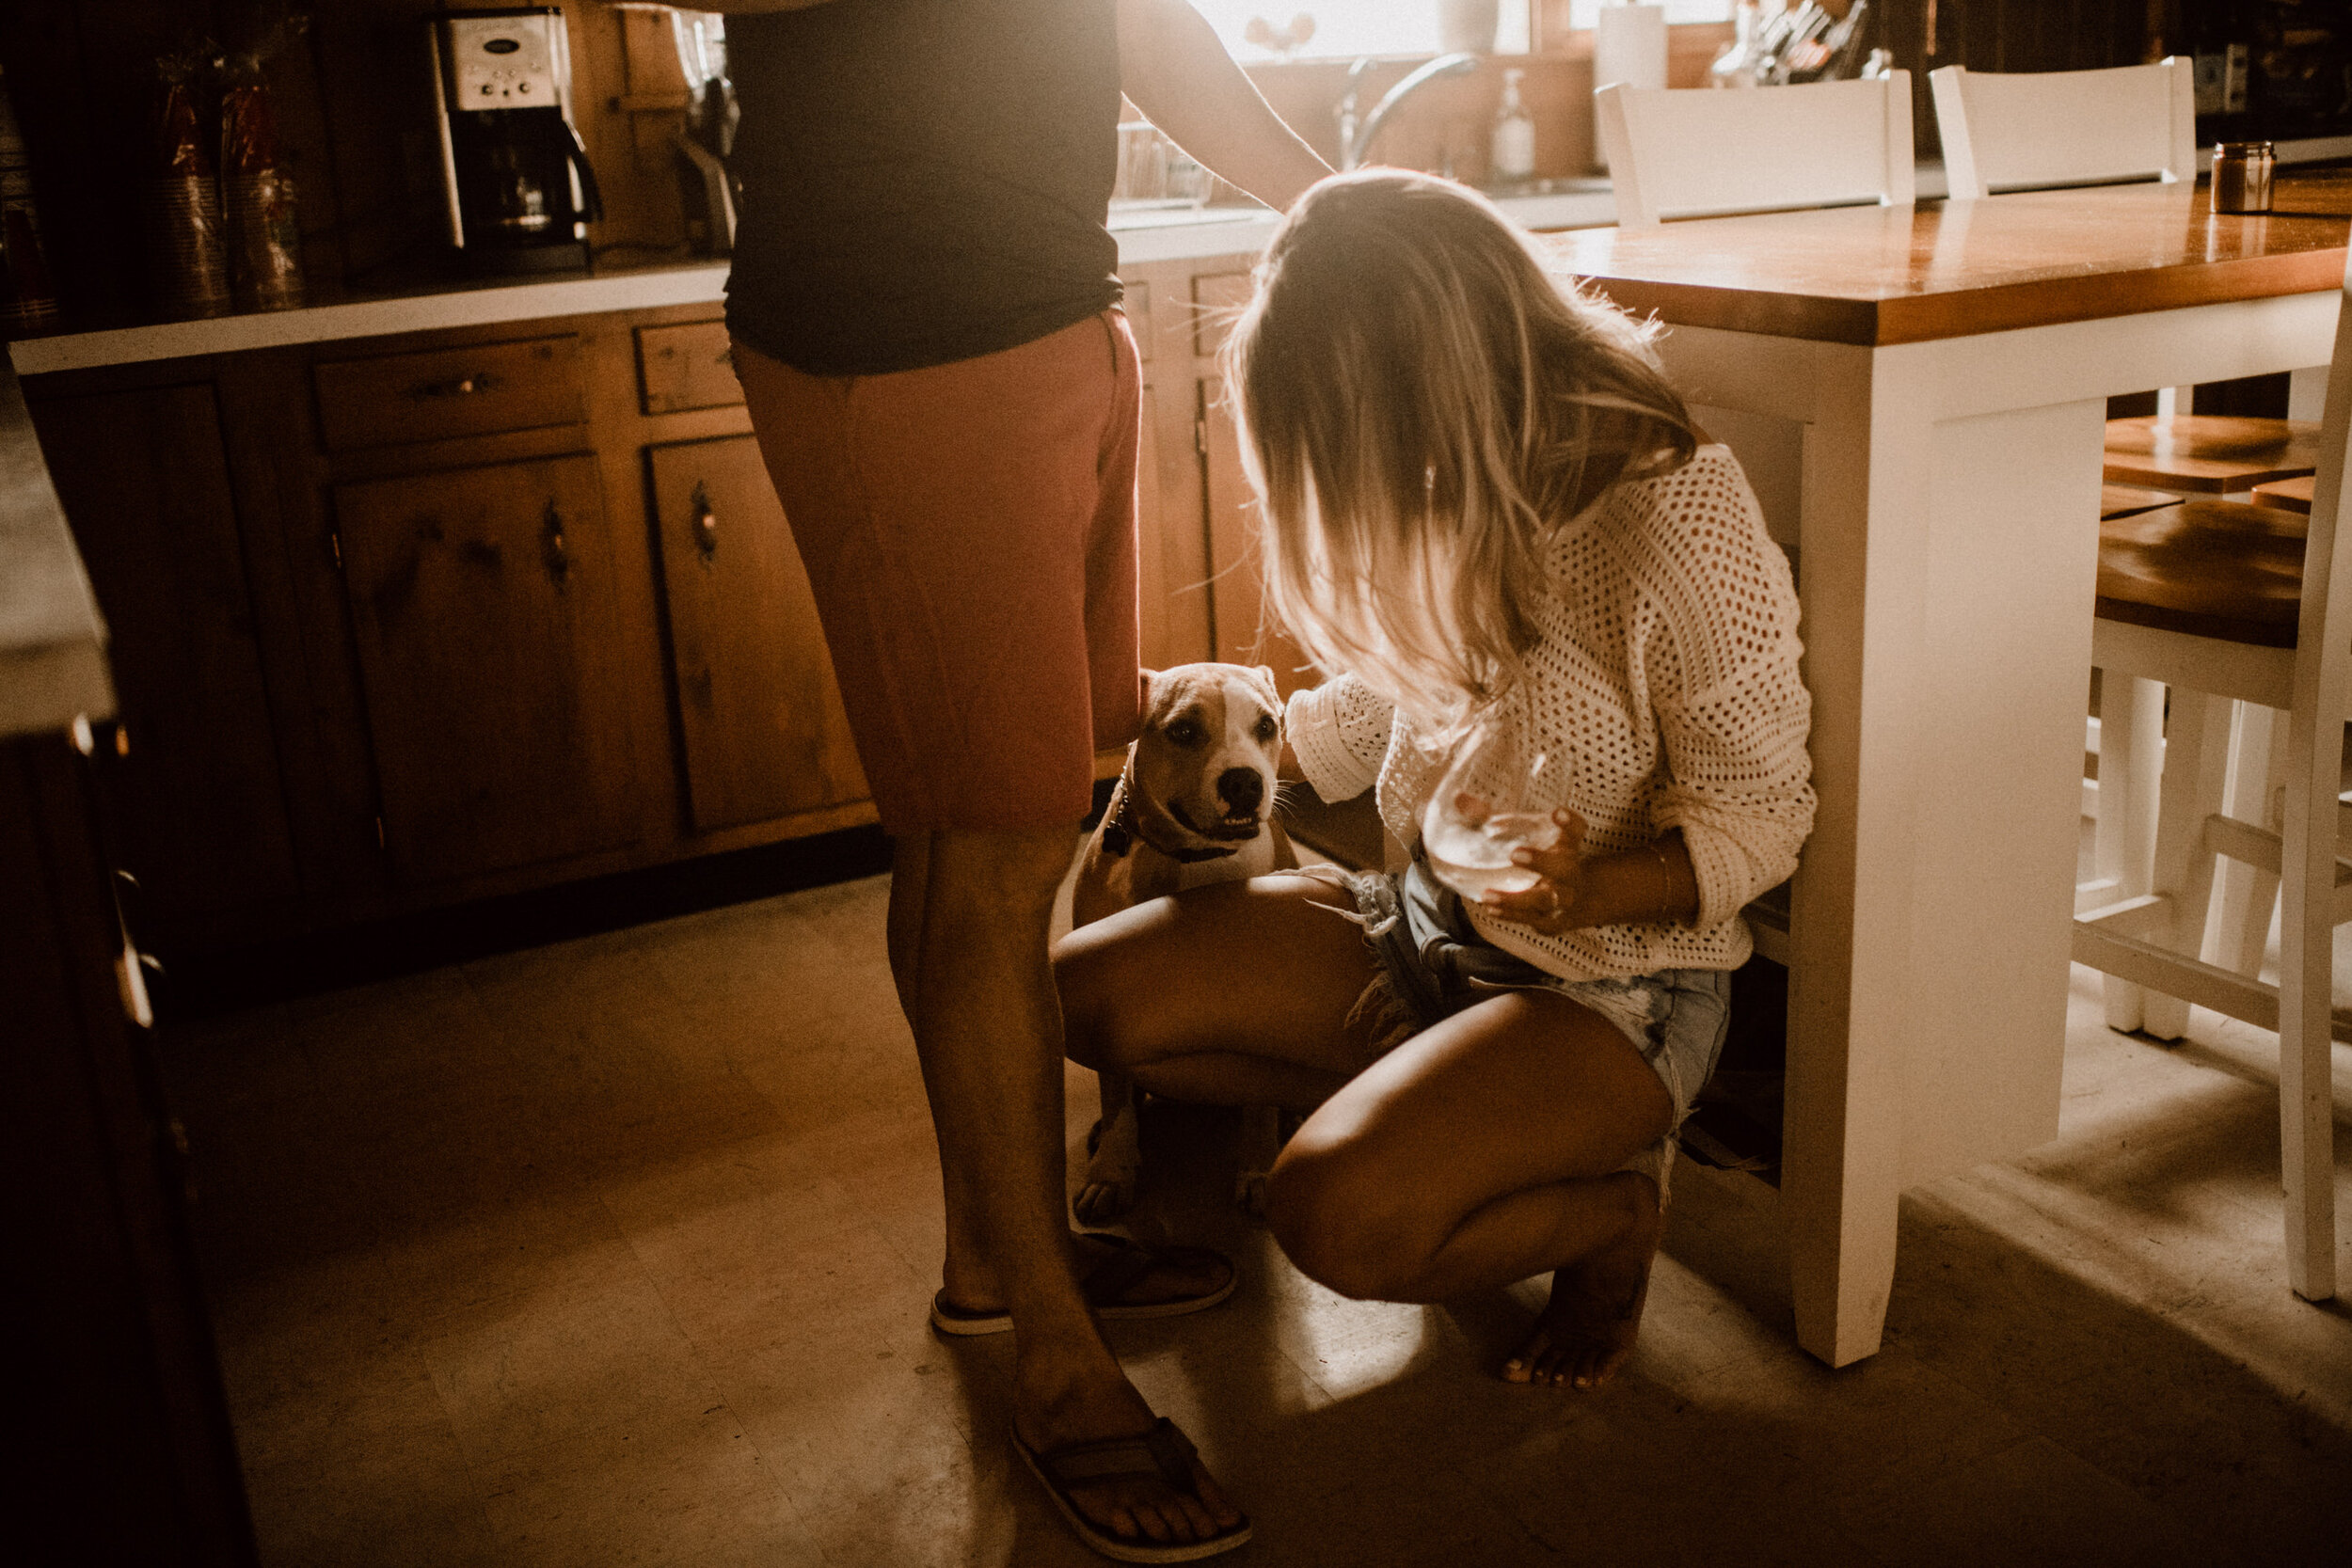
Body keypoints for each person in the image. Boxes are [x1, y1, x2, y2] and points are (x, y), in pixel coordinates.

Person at [708, 0, 1326, 1558]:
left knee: (988, 835)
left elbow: (1137, 21)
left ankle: (996, 1264)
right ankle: (1055, 1360)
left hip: (1053, 314)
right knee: (987, 852)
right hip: (898, 339)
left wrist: (1321, 198)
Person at [1057, 168, 1816, 1392]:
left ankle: (1610, 1218)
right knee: (1080, 998)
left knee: (1332, 1218)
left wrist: (1591, 887)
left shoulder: (1678, 523)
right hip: (1423, 930)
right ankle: (1451, 1102)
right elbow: (1387, 695)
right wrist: (1219, 740)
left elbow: (1760, 825)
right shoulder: (1461, 483)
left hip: (1615, 988)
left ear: (1441, 395)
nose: (1366, 502)